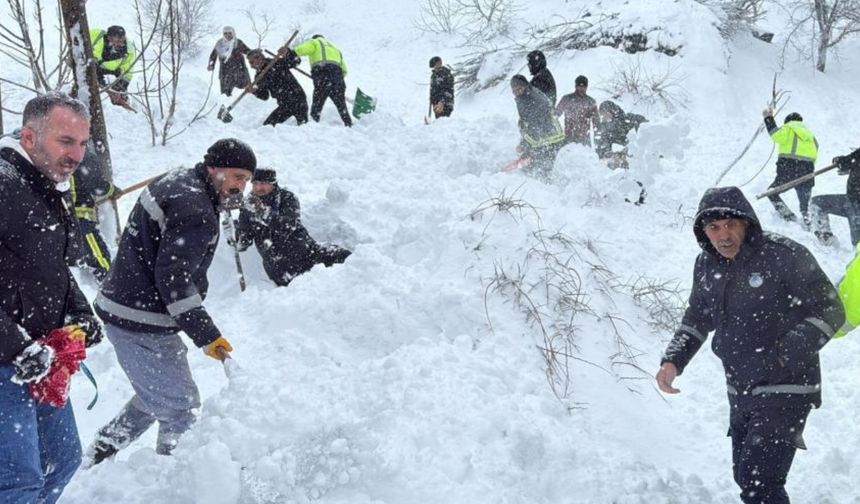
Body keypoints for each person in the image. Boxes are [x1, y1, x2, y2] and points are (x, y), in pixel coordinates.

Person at [656, 186, 844, 504]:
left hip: (787, 386)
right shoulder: (706, 265)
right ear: (703, 232)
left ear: (746, 223)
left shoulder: (784, 255)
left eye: (730, 224)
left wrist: (785, 353)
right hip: (740, 388)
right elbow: (697, 317)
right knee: (745, 477)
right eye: (714, 227)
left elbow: (830, 308)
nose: (723, 235)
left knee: (760, 484)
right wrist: (673, 360)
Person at [87, 138, 256, 465]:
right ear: (213, 168)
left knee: (157, 394)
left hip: (128, 304)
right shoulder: (196, 210)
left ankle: (101, 450)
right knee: (180, 409)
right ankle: (174, 481)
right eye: (237, 177)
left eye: (246, 180)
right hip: (140, 319)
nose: (241, 186)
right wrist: (207, 335)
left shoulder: (180, 181)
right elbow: (174, 280)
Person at [0, 92, 104, 504]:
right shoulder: (4, 184)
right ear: (29, 137)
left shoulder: (44, 185)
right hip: (8, 360)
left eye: (82, 143)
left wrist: (79, 312)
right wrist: (16, 345)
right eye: (65, 141)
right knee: (17, 482)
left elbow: (49, 267)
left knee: (61, 460)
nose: (76, 155)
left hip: (39, 357)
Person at [233, 168, 351, 286]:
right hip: (279, 267)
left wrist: (263, 213)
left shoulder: (287, 197)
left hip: (307, 253)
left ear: (273, 184)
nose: (258, 188)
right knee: (301, 291)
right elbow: (244, 242)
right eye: (255, 183)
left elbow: (288, 226)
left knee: (348, 259)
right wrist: (236, 233)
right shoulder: (248, 205)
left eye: (263, 183)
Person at [69, 145, 120, 282]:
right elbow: (96, 185)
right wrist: (112, 190)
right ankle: (108, 281)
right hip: (80, 216)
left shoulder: (58, 153)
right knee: (97, 251)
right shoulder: (83, 155)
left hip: (62, 217)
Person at [763, 109, 818, 226]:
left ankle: (788, 217)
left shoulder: (788, 128)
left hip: (789, 169)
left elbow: (776, 135)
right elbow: (815, 153)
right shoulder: (811, 136)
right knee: (805, 204)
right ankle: (807, 219)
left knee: (771, 193)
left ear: (787, 121)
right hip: (808, 171)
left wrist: (768, 118)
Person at [510, 74, 565, 179]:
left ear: (525, 86)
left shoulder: (534, 100)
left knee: (540, 170)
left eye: (519, 88)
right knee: (535, 167)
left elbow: (535, 128)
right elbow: (526, 122)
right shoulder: (524, 97)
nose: (517, 92)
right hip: (544, 139)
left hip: (551, 140)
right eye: (514, 91)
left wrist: (526, 148)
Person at [293, 34, 352, 127]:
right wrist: (335, 78)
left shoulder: (315, 42)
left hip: (323, 74)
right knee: (341, 104)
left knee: (318, 102)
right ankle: (348, 124)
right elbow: (345, 71)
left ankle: (312, 125)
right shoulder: (335, 49)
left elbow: (303, 49)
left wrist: (292, 52)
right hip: (338, 77)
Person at [809, 146, 860, 246]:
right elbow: (848, 161)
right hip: (849, 201)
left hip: (857, 208)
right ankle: (826, 238)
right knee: (817, 203)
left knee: (858, 245)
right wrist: (841, 161)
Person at [245, 48, 308, 126]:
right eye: (252, 62)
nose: (256, 62)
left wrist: (288, 52)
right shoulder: (259, 77)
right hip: (284, 104)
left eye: (257, 57)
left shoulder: (275, 63)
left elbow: (296, 61)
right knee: (267, 126)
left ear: (262, 56)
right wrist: (254, 91)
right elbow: (265, 96)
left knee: (303, 127)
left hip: (298, 99)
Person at [90, 25, 136, 107]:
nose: (119, 44)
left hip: (113, 69)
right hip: (94, 65)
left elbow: (127, 72)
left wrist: (121, 88)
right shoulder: (96, 36)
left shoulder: (129, 50)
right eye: (116, 41)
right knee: (90, 76)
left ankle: (120, 100)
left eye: (121, 41)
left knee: (118, 90)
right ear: (109, 38)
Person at [594, 100, 647, 169]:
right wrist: (609, 155)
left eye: (605, 113)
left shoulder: (627, 119)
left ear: (612, 111)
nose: (603, 116)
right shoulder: (603, 128)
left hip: (634, 153)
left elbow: (646, 130)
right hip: (616, 159)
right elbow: (601, 148)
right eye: (601, 114)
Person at [207, 26, 251, 97]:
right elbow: (213, 55)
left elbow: (248, 52)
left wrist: (256, 54)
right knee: (226, 96)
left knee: (244, 94)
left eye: (230, 33)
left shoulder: (238, 43)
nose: (228, 35)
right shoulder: (219, 44)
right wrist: (211, 65)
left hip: (240, 72)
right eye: (225, 33)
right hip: (225, 73)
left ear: (233, 33)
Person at [555, 75, 599, 146]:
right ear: (575, 86)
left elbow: (596, 122)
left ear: (587, 87)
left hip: (585, 139)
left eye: (584, 86)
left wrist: (598, 139)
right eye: (579, 86)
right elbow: (556, 115)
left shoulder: (591, 102)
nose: (582, 88)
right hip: (569, 138)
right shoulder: (567, 99)